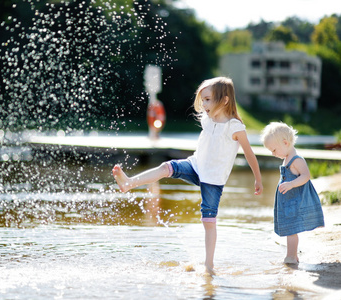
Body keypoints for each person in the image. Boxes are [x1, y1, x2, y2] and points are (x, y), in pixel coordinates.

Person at [112, 77, 263, 273]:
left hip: (214, 179)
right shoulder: (208, 119)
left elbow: (250, 154)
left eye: (208, 99)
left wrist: (258, 178)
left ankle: (209, 265)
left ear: (225, 100)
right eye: (203, 100)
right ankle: (129, 183)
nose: (204, 105)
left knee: (208, 221)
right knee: (167, 167)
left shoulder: (234, 126)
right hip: (195, 166)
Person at [261, 122, 324, 264]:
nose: (273, 154)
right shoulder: (286, 158)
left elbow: (306, 176)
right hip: (288, 202)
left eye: (274, 150)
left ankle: (291, 256)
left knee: (291, 230)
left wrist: (291, 184)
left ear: (285, 143)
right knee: (289, 229)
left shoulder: (297, 160)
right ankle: (293, 256)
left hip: (294, 203)